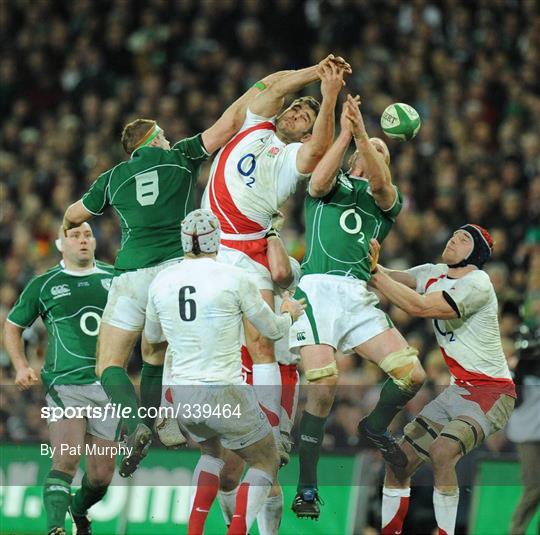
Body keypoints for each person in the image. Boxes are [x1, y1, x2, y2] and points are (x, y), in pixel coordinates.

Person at [61, 72, 287, 477]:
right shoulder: (182, 156)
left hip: (130, 273)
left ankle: (134, 426)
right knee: (154, 354)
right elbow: (230, 122)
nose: (168, 138)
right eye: (162, 135)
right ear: (152, 141)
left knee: (109, 364)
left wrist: (68, 228)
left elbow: (75, 214)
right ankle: (155, 420)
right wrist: (257, 90)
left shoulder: (113, 177)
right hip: (175, 276)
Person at [202, 54, 350, 448]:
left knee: (262, 343)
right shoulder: (255, 125)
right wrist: (315, 72)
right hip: (207, 250)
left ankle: (268, 426)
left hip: (248, 252)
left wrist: (329, 95)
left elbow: (319, 147)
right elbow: (273, 87)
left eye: (305, 115)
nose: (297, 112)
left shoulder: (291, 160)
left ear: (306, 133)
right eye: (297, 107)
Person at [288, 95, 426, 518]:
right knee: (324, 385)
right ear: (352, 159)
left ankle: (375, 425)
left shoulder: (387, 199)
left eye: (384, 151)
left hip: (357, 294)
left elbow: (383, 186)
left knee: (412, 374)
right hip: (316, 289)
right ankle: (307, 486)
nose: (378, 152)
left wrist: (365, 135)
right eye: (372, 151)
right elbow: (315, 183)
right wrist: (348, 132)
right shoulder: (331, 184)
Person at [143, 209, 305, 535]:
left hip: (186, 399)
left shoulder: (161, 282)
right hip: (225, 391)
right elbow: (271, 331)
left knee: (211, 454)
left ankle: (193, 531)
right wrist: (288, 313)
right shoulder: (235, 278)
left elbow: (152, 342)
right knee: (265, 462)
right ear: (216, 239)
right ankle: (237, 531)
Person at [369, 224, 516, 535]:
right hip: (458, 390)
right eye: (453, 234)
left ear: (475, 254)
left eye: (463, 239)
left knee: (442, 451)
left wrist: (376, 274)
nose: (452, 239)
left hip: (493, 392)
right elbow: (390, 275)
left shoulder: (478, 284)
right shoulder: (434, 272)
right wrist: (361, 258)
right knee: (398, 462)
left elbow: (418, 306)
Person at [4, 223, 118, 535]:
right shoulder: (45, 284)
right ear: (60, 244)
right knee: (66, 460)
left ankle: (78, 510)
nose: (82, 240)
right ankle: (55, 528)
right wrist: (20, 365)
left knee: (101, 477)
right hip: (65, 384)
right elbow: (13, 325)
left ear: (94, 241)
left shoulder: (117, 278)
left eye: (87, 235)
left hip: (108, 387)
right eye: (74, 235)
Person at [216, 260, 302, 535]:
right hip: (242, 365)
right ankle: (236, 526)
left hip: (281, 370)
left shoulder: (286, 266)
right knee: (228, 474)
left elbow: (284, 278)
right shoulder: (232, 260)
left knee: (266, 465)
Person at [507, 324, 540, 535]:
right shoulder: (515, 371)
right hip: (527, 435)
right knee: (534, 485)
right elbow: (514, 402)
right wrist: (515, 370)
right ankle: (516, 530)